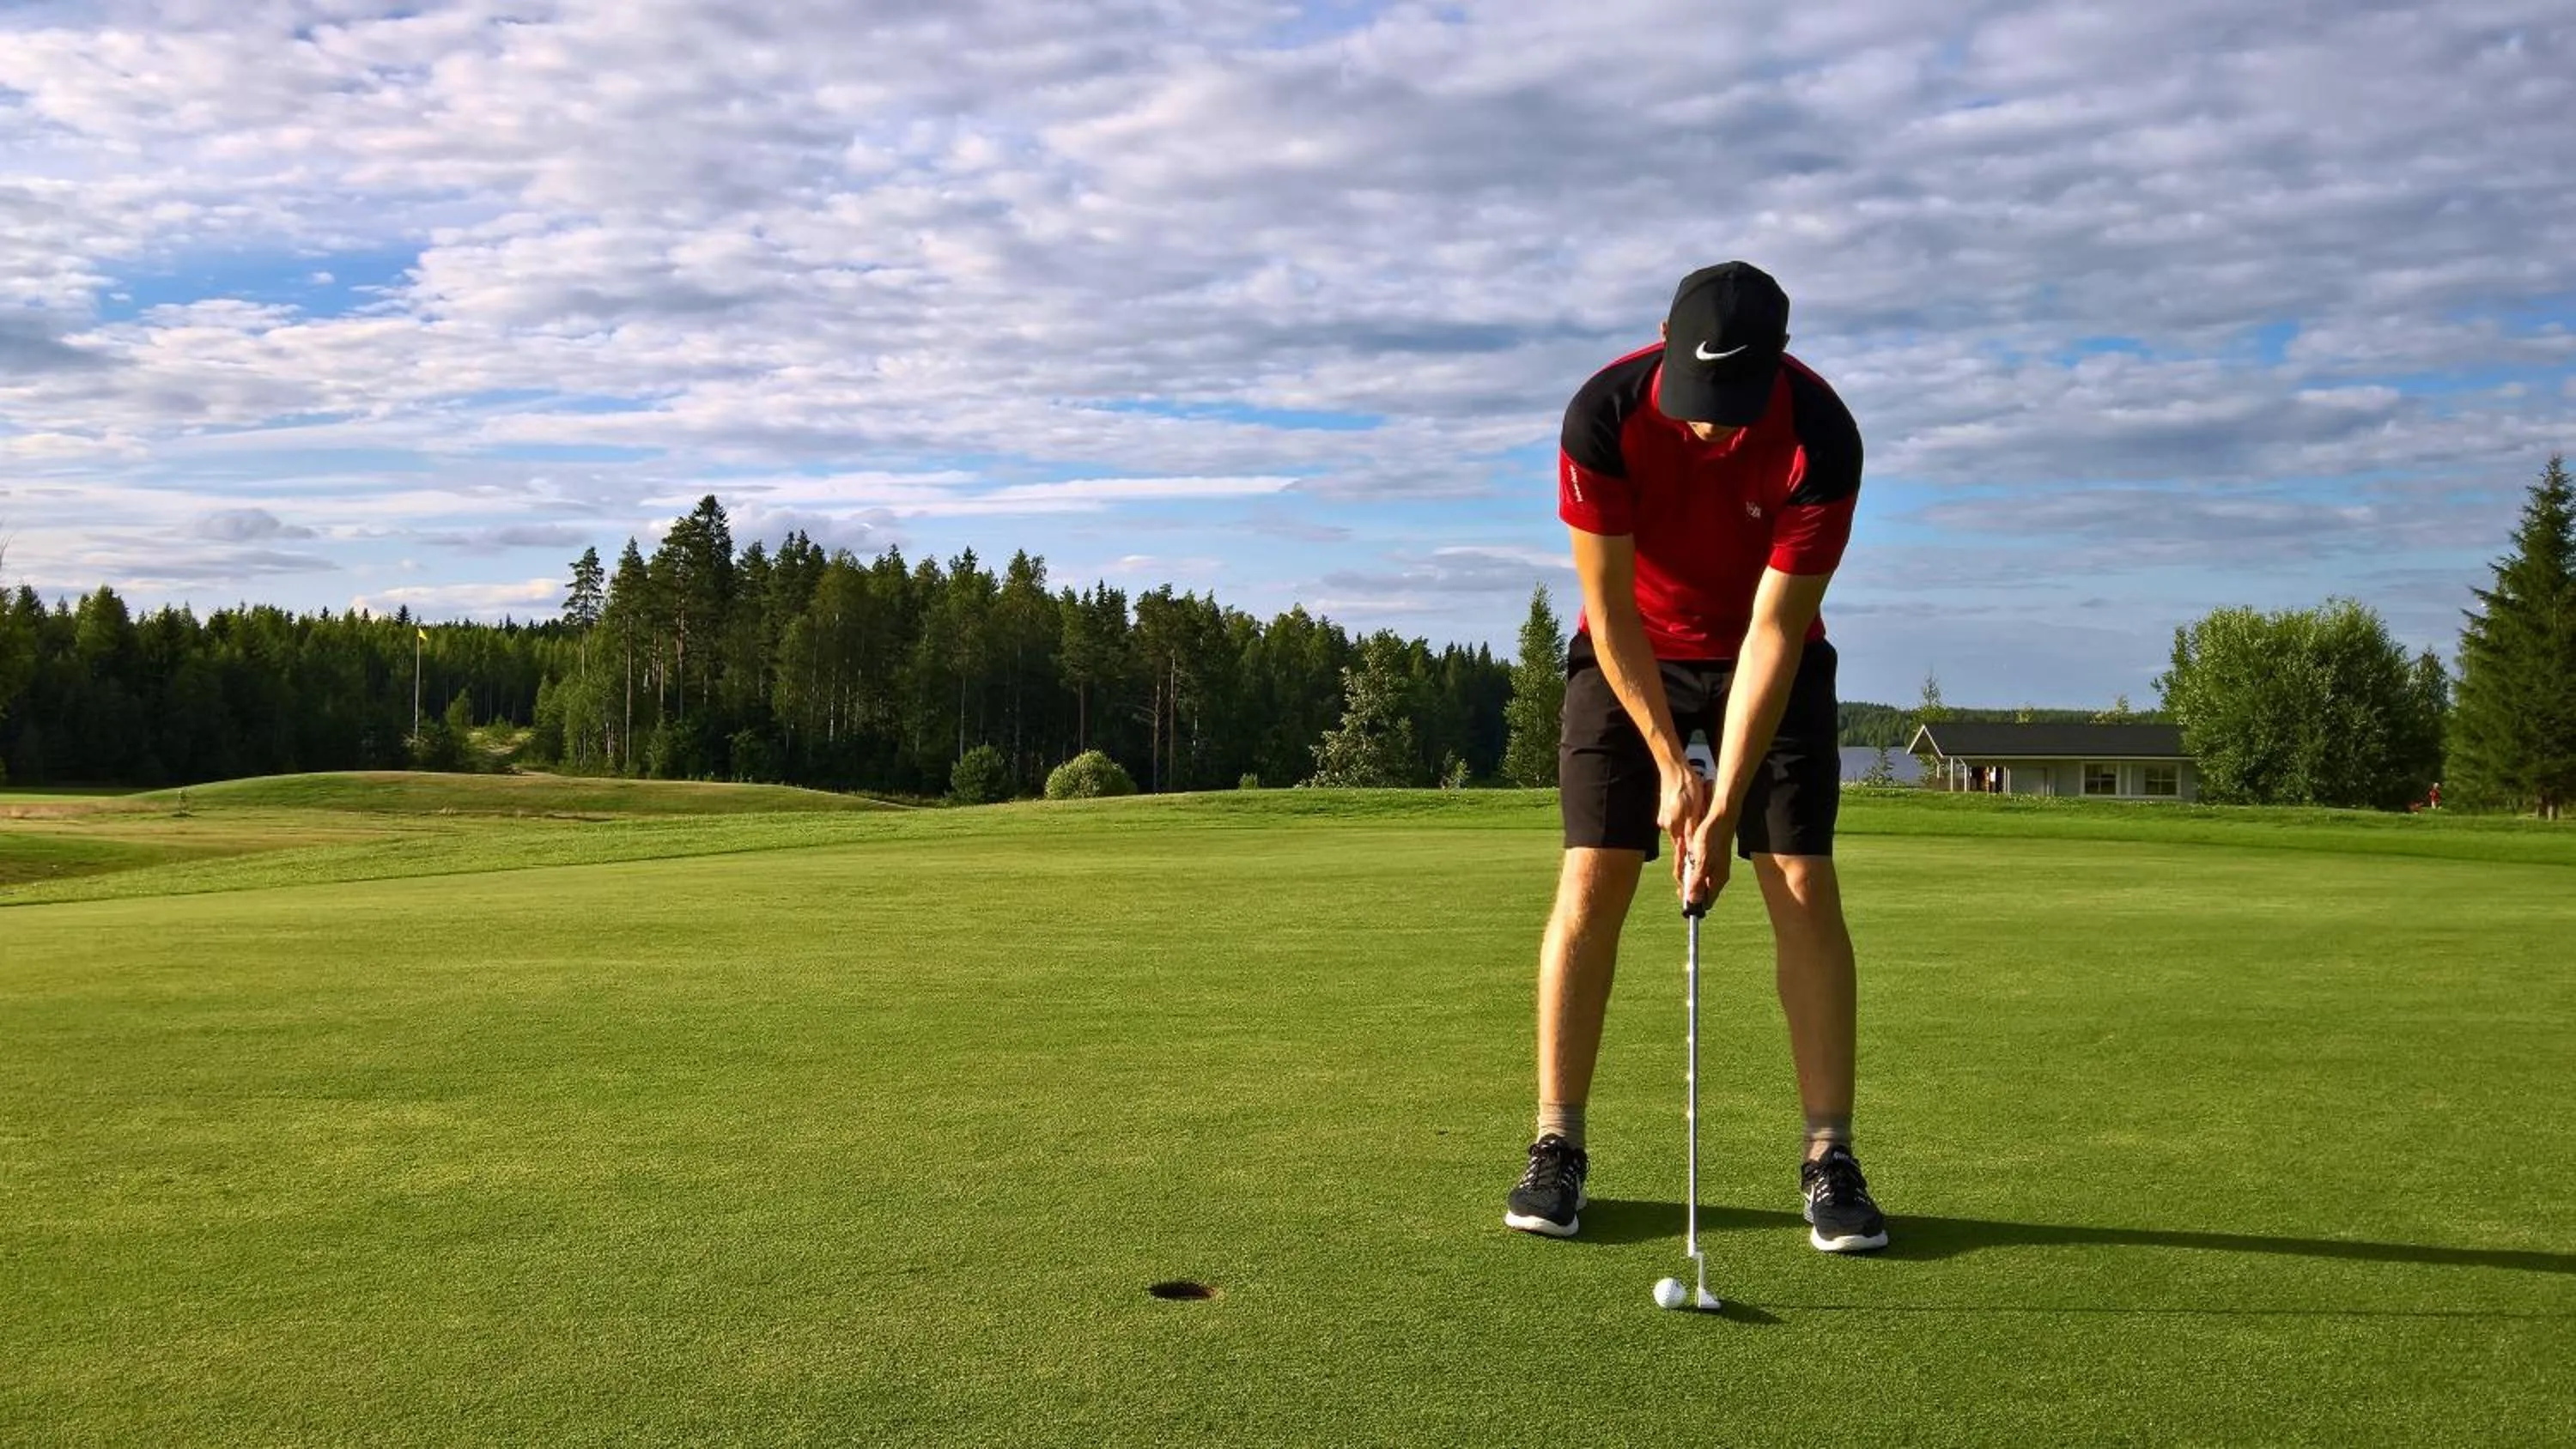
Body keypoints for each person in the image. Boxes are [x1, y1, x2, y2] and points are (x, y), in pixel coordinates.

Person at [1503, 260, 1888, 1253]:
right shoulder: (1602, 415)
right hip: (1633, 647)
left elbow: (1775, 630)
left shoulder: (1822, 436)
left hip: (1768, 651)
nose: (1712, 423)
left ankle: (1830, 1153)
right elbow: (1610, 609)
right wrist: (1675, 770)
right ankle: (1557, 1142)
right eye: (1697, 394)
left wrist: (1723, 807)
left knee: (1800, 878)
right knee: (1593, 873)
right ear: (1664, 341)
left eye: (1732, 400)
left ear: (1779, 362)